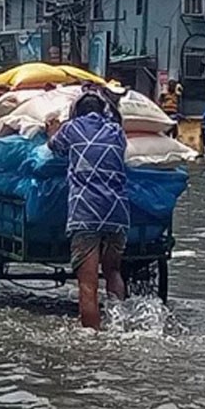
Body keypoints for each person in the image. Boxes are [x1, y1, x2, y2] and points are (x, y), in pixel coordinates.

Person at [48, 88, 130, 330]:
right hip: (118, 212)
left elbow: (54, 147)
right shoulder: (117, 131)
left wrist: (52, 130)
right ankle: (119, 327)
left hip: (86, 214)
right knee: (113, 270)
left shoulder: (72, 129)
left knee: (88, 284)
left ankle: (91, 340)